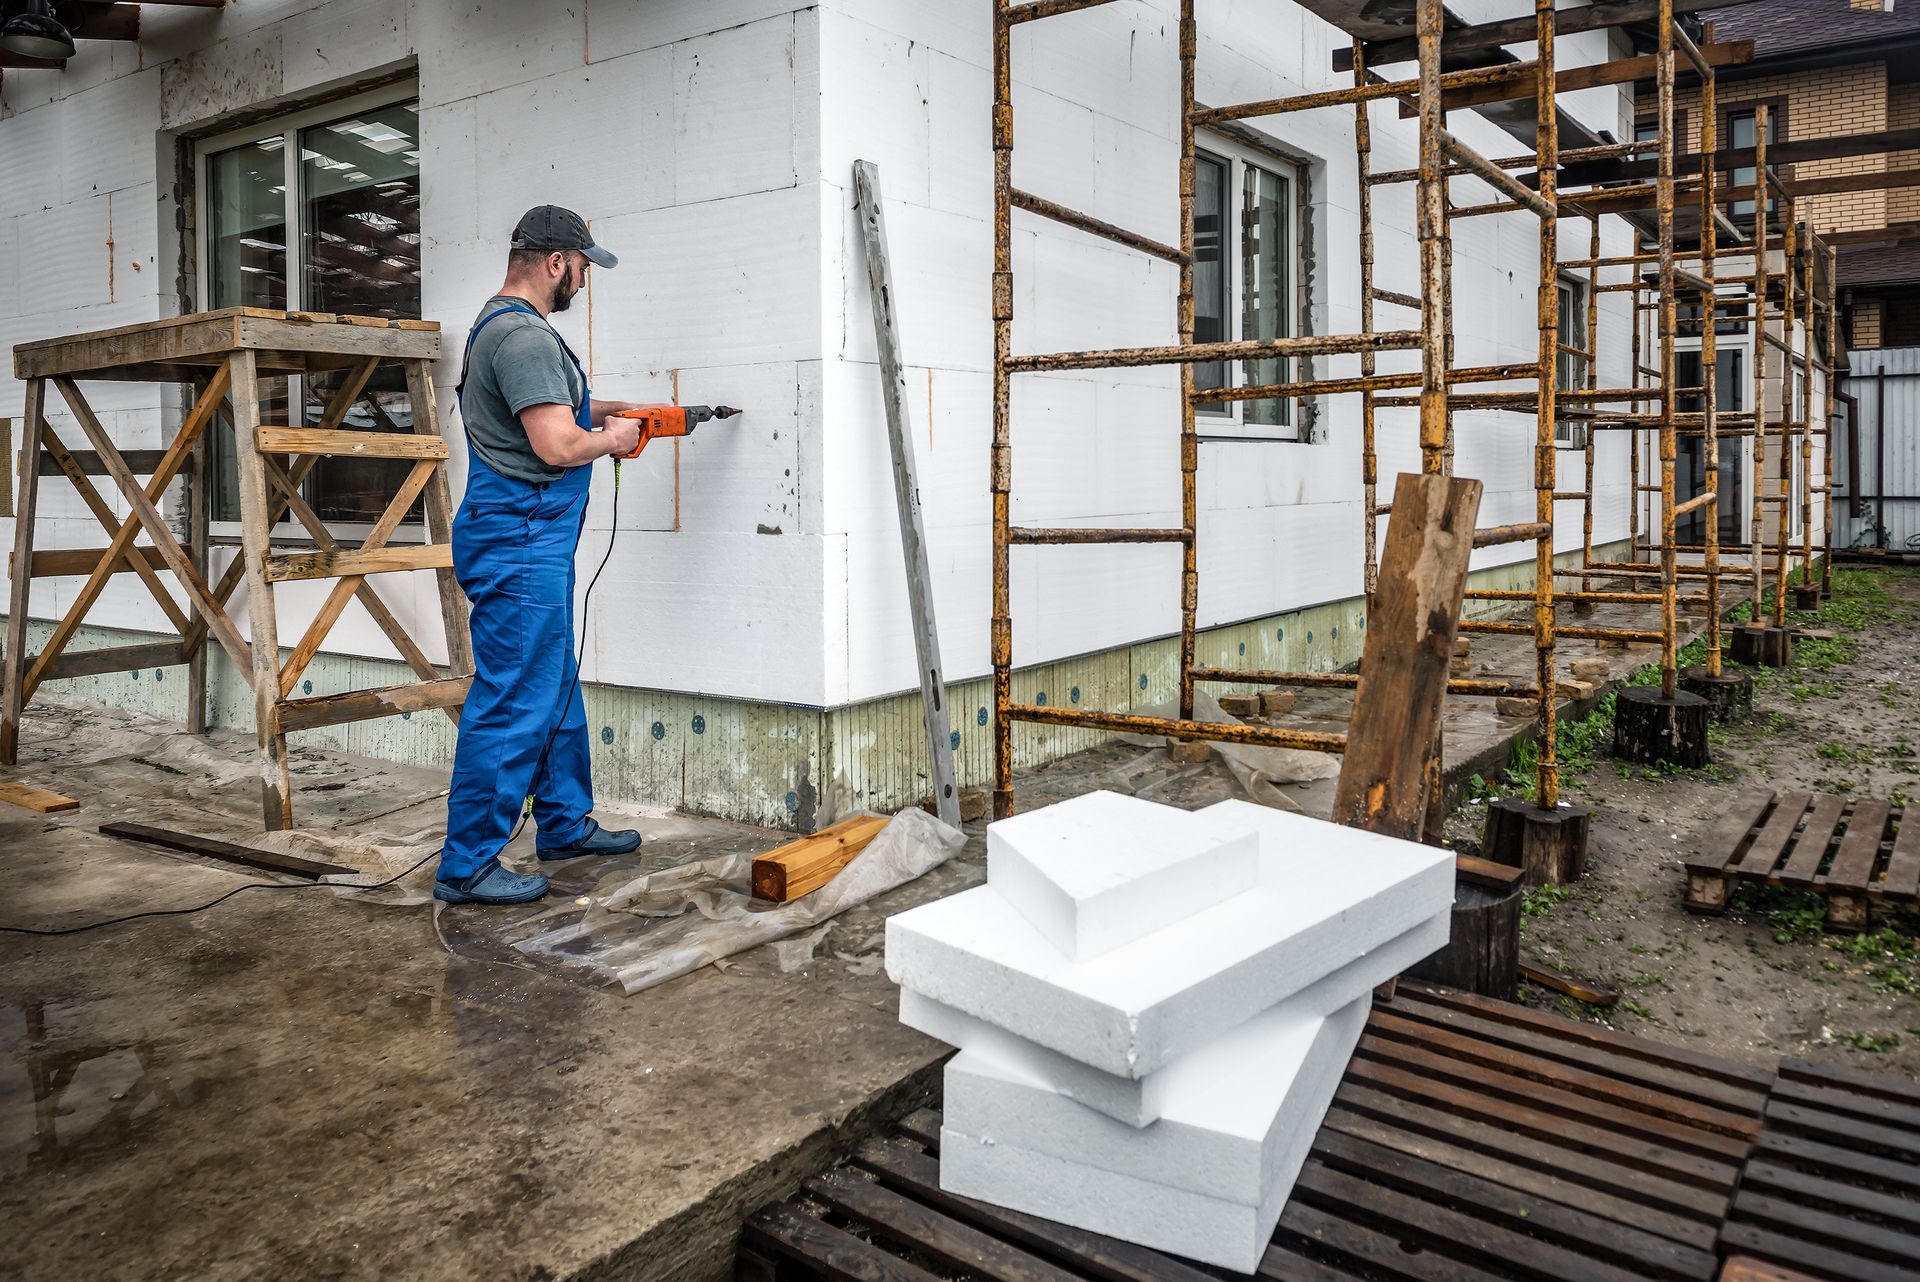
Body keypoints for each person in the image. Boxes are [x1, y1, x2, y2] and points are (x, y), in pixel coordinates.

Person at [435, 206, 649, 905]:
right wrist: (614, 440)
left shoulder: (504, 327)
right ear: (556, 262)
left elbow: (550, 409)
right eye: (582, 268)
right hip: (518, 540)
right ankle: (467, 864)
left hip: (528, 538)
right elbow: (556, 444)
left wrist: (611, 411)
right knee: (514, 695)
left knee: (553, 681)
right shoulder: (524, 336)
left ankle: (562, 822)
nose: (583, 281)